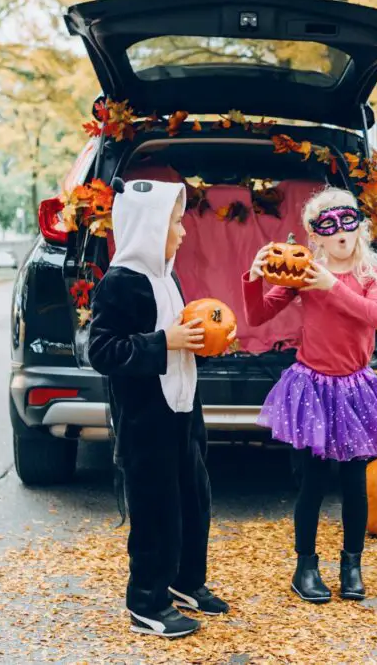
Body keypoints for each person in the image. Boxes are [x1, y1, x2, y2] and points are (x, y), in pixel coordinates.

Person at [88, 179, 232, 638]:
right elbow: (102, 351)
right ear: (149, 228)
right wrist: (162, 342)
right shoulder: (120, 283)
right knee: (156, 509)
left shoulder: (167, 276)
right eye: (174, 223)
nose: (184, 231)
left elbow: (182, 336)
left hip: (183, 410)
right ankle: (147, 602)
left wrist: (206, 343)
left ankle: (186, 582)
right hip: (146, 420)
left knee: (194, 499)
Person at [241, 186, 377, 603]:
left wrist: (331, 285)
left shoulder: (372, 275)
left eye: (348, 220)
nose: (341, 232)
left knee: (354, 482)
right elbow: (257, 316)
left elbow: (374, 315)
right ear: (316, 236)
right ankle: (305, 566)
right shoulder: (304, 272)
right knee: (312, 481)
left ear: (359, 225)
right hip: (313, 386)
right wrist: (253, 279)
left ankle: (352, 564)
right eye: (328, 225)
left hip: (355, 388)